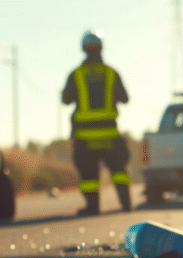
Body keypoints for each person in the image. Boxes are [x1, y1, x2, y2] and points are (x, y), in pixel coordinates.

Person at [62, 30, 131, 215]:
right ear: (101, 48)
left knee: (89, 176)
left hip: (85, 136)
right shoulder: (111, 73)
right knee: (119, 171)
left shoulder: (76, 75)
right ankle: (126, 204)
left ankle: (92, 208)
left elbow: (65, 99)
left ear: (83, 48)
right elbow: (125, 98)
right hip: (110, 134)